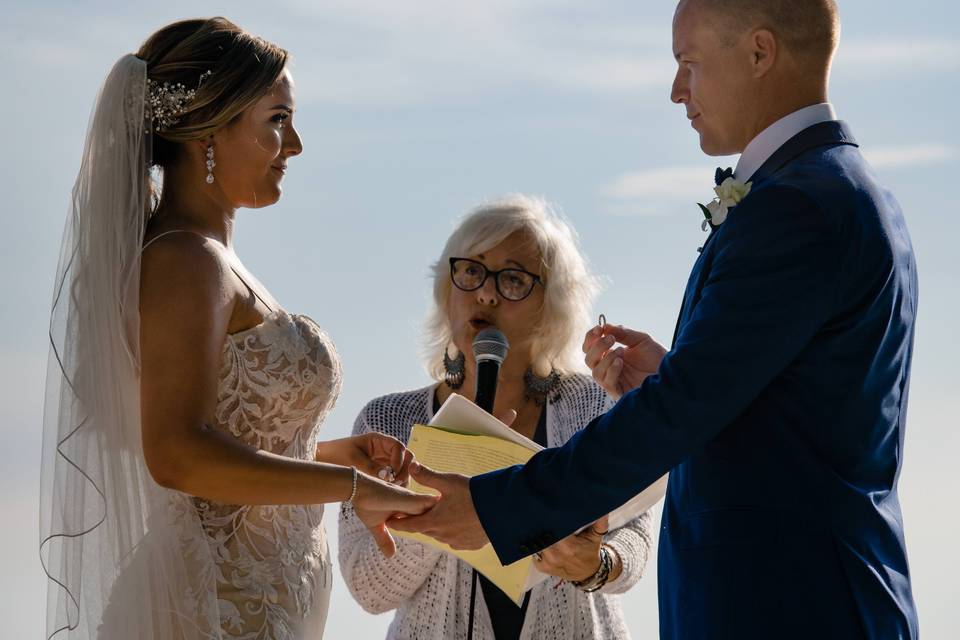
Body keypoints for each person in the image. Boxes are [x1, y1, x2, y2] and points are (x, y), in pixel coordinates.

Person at [389, 2, 920, 638]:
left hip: (789, 601)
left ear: (759, 52)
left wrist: (497, 507)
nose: (676, 91)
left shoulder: (798, 208)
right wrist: (673, 375)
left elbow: (682, 415)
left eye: (688, 63)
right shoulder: (841, 192)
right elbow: (786, 408)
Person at [39, 17, 434, 640]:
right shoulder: (184, 261)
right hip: (213, 610)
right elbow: (175, 455)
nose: (296, 144)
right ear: (210, 135)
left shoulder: (208, 261)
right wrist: (349, 487)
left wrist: (327, 453)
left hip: (262, 603)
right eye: (277, 119)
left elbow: (229, 435)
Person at [339, 195, 653, 639]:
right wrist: (442, 491)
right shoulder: (388, 421)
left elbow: (634, 537)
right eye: (471, 271)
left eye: (512, 278)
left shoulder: (592, 406)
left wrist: (597, 566)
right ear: (447, 291)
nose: (486, 292)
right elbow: (368, 589)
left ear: (551, 304)